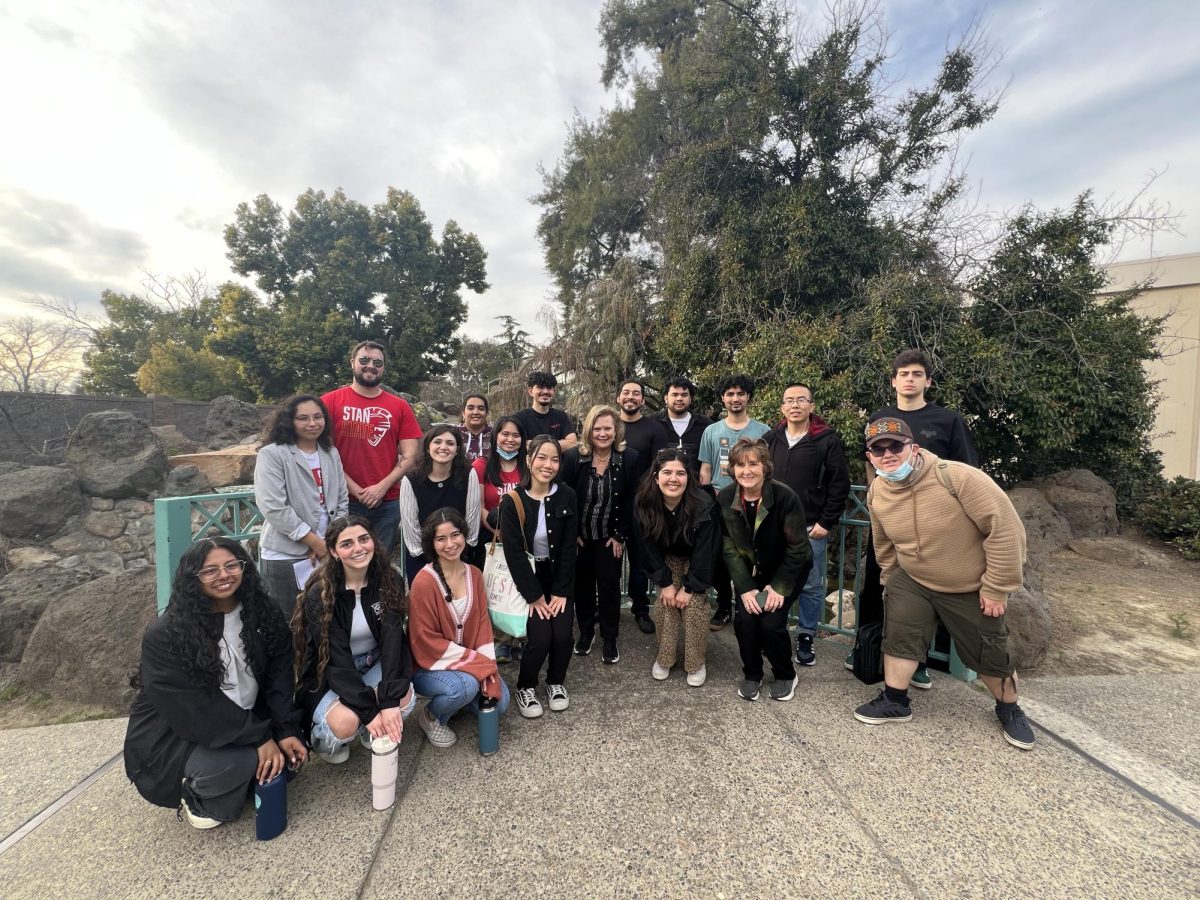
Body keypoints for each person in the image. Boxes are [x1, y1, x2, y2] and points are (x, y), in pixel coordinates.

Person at [853, 418, 1034, 750]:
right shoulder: (879, 489)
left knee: (989, 650)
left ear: (914, 448)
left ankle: (1009, 709)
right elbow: (883, 541)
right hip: (912, 578)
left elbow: (1006, 530)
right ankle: (896, 699)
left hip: (967, 582)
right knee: (899, 636)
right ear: (870, 457)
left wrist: (997, 586)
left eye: (896, 446)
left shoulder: (957, 477)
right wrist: (889, 580)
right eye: (878, 450)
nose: (888, 454)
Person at [124, 538, 306, 829]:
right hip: (187, 732)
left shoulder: (263, 611)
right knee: (236, 772)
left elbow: (279, 677)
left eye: (232, 565)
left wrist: (284, 730)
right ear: (192, 577)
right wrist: (259, 738)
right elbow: (192, 708)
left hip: (251, 717)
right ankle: (194, 792)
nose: (224, 575)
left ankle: (245, 774)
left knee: (291, 753)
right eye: (211, 570)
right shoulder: (168, 634)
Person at [856, 348, 979, 687]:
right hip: (889, 520)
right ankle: (867, 649)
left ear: (928, 380)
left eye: (917, 374)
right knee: (875, 586)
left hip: (932, 526)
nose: (910, 379)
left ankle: (918, 659)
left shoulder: (947, 420)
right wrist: (876, 498)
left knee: (925, 591)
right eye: (904, 374)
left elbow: (966, 470)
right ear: (893, 380)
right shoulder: (879, 419)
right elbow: (869, 460)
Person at [291, 516, 416, 764]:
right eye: (347, 544)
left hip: (373, 661)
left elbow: (393, 643)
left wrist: (389, 701)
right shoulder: (321, 593)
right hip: (329, 671)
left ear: (373, 541)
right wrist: (370, 713)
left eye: (363, 539)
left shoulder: (389, 580)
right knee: (347, 722)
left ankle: (372, 729)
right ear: (334, 552)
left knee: (404, 697)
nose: (358, 548)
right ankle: (328, 739)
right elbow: (335, 659)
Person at [762, 383, 850, 667]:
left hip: (811, 527)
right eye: (789, 400)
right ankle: (774, 631)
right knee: (773, 578)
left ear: (811, 406)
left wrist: (826, 521)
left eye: (801, 400)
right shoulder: (770, 438)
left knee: (811, 585)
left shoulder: (825, 439)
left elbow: (839, 483)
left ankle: (806, 636)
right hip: (774, 526)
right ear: (782, 407)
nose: (795, 405)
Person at [717, 438, 812, 702]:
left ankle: (785, 674)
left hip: (787, 569)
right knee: (745, 620)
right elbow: (728, 548)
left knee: (771, 623)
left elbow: (798, 548)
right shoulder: (726, 498)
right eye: (739, 464)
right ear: (732, 468)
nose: (746, 471)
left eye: (753, 464)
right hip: (749, 572)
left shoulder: (784, 497)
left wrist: (779, 587)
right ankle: (752, 674)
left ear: (765, 467)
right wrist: (745, 588)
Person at [407, 508, 510, 748]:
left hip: (468, 662)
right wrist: (480, 667)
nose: (450, 544)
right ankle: (432, 716)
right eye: (441, 539)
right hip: (428, 666)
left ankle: (458, 701)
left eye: (455, 535)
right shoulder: (424, 581)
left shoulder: (474, 574)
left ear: (464, 536)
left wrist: (487, 667)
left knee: (500, 704)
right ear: (432, 544)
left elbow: (483, 626)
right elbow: (424, 642)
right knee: (465, 686)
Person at [498, 435, 579, 718]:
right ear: (529, 460)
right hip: (527, 579)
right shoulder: (512, 501)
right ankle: (526, 685)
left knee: (563, 635)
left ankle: (556, 682)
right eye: (542, 457)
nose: (548, 464)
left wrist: (561, 591)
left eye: (555, 459)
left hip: (558, 576)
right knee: (540, 637)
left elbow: (569, 548)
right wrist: (533, 597)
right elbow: (514, 555)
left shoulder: (567, 495)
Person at [322, 340, 423, 555]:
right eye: (364, 360)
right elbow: (323, 453)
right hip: (342, 501)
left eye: (377, 362)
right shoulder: (329, 402)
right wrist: (354, 489)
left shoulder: (399, 406)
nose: (371, 366)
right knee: (344, 562)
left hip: (386, 502)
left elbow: (410, 454)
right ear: (352, 363)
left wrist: (382, 487)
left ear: (383, 367)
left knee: (380, 563)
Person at [558, 405, 640, 665]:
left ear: (617, 431)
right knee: (581, 588)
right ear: (588, 430)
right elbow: (563, 497)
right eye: (597, 428)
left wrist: (620, 535)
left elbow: (631, 500)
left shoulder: (630, 458)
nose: (602, 433)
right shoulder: (573, 458)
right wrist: (572, 534)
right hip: (581, 537)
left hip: (609, 537)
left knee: (609, 589)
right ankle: (585, 633)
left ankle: (610, 637)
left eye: (608, 428)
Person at [254, 395, 349, 617]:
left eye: (318, 417)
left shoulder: (330, 452)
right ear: (289, 421)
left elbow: (341, 499)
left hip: (327, 549)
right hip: (287, 554)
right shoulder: (273, 454)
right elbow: (273, 506)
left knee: (324, 618)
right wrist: (315, 542)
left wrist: (330, 540)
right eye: (303, 418)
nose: (312, 423)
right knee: (290, 621)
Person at [634, 449, 721, 687]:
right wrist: (665, 583)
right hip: (666, 556)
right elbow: (647, 547)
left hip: (696, 557)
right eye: (667, 472)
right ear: (656, 476)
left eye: (680, 473)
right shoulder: (644, 502)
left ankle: (695, 662)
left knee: (693, 606)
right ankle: (665, 658)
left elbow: (706, 551)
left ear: (688, 478)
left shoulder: (703, 504)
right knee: (667, 604)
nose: (673, 479)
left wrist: (690, 587)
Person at [699, 373, 771, 631]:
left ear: (748, 397)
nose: (735, 398)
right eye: (730, 394)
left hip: (753, 502)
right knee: (719, 556)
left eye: (740, 393)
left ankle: (754, 608)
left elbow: (768, 470)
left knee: (754, 557)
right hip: (719, 501)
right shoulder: (711, 430)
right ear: (723, 398)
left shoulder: (763, 431)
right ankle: (724, 606)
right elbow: (706, 469)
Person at [616, 378, 669, 635]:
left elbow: (659, 467)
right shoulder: (609, 426)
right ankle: (606, 606)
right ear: (618, 398)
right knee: (608, 561)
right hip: (610, 504)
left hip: (642, 504)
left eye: (636, 393)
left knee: (639, 563)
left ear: (642, 400)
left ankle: (640, 608)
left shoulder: (654, 429)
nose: (630, 397)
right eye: (626, 392)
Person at [473, 415, 528, 664]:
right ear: (495, 435)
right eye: (505, 434)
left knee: (523, 587)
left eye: (516, 435)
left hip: (524, 539)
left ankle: (524, 636)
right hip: (493, 537)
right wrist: (495, 528)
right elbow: (478, 504)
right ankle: (501, 640)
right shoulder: (482, 466)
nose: (510, 439)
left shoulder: (527, 464)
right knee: (498, 589)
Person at [398, 424, 482, 584]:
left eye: (450, 443)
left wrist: (458, 553)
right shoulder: (411, 480)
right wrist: (433, 559)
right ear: (428, 448)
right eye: (437, 442)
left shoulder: (468, 474)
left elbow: (472, 520)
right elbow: (411, 528)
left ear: (457, 450)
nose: (443, 447)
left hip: (458, 554)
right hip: (422, 557)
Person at [654, 376, 713, 476]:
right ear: (666, 398)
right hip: (661, 487)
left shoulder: (706, 425)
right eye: (675, 394)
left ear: (690, 399)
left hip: (696, 488)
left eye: (684, 395)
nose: (679, 399)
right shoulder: (653, 423)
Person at [512, 371, 578, 449]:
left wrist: (533, 444)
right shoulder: (520, 418)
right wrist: (559, 443)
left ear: (554, 391)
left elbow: (573, 443)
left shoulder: (561, 416)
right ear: (530, 391)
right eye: (540, 387)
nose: (545, 391)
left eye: (549, 388)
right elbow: (518, 445)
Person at [456, 393, 492, 462]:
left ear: (486, 413)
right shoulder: (453, 433)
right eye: (470, 408)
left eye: (481, 409)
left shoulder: (496, 434)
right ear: (463, 413)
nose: (475, 412)